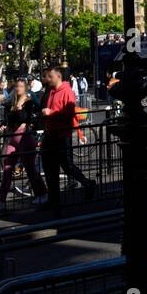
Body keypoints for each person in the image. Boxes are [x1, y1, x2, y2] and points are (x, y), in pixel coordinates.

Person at [39, 66, 96, 213]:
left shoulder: (67, 91)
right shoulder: (51, 91)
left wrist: (51, 112)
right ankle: (54, 201)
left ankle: (88, 183)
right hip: (50, 134)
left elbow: (69, 113)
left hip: (62, 135)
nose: (48, 79)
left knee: (67, 166)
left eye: (50, 76)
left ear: (58, 76)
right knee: (49, 169)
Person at [0, 79, 47, 210]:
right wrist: (3, 124)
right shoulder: (13, 101)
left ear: (25, 88)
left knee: (30, 169)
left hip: (25, 137)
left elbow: (22, 117)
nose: (18, 88)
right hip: (13, 137)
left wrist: (19, 106)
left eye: (20, 86)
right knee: (7, 167)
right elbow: (10, 117)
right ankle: (1, 199)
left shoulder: (28, 102)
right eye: (16, 86)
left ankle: (42, 193)